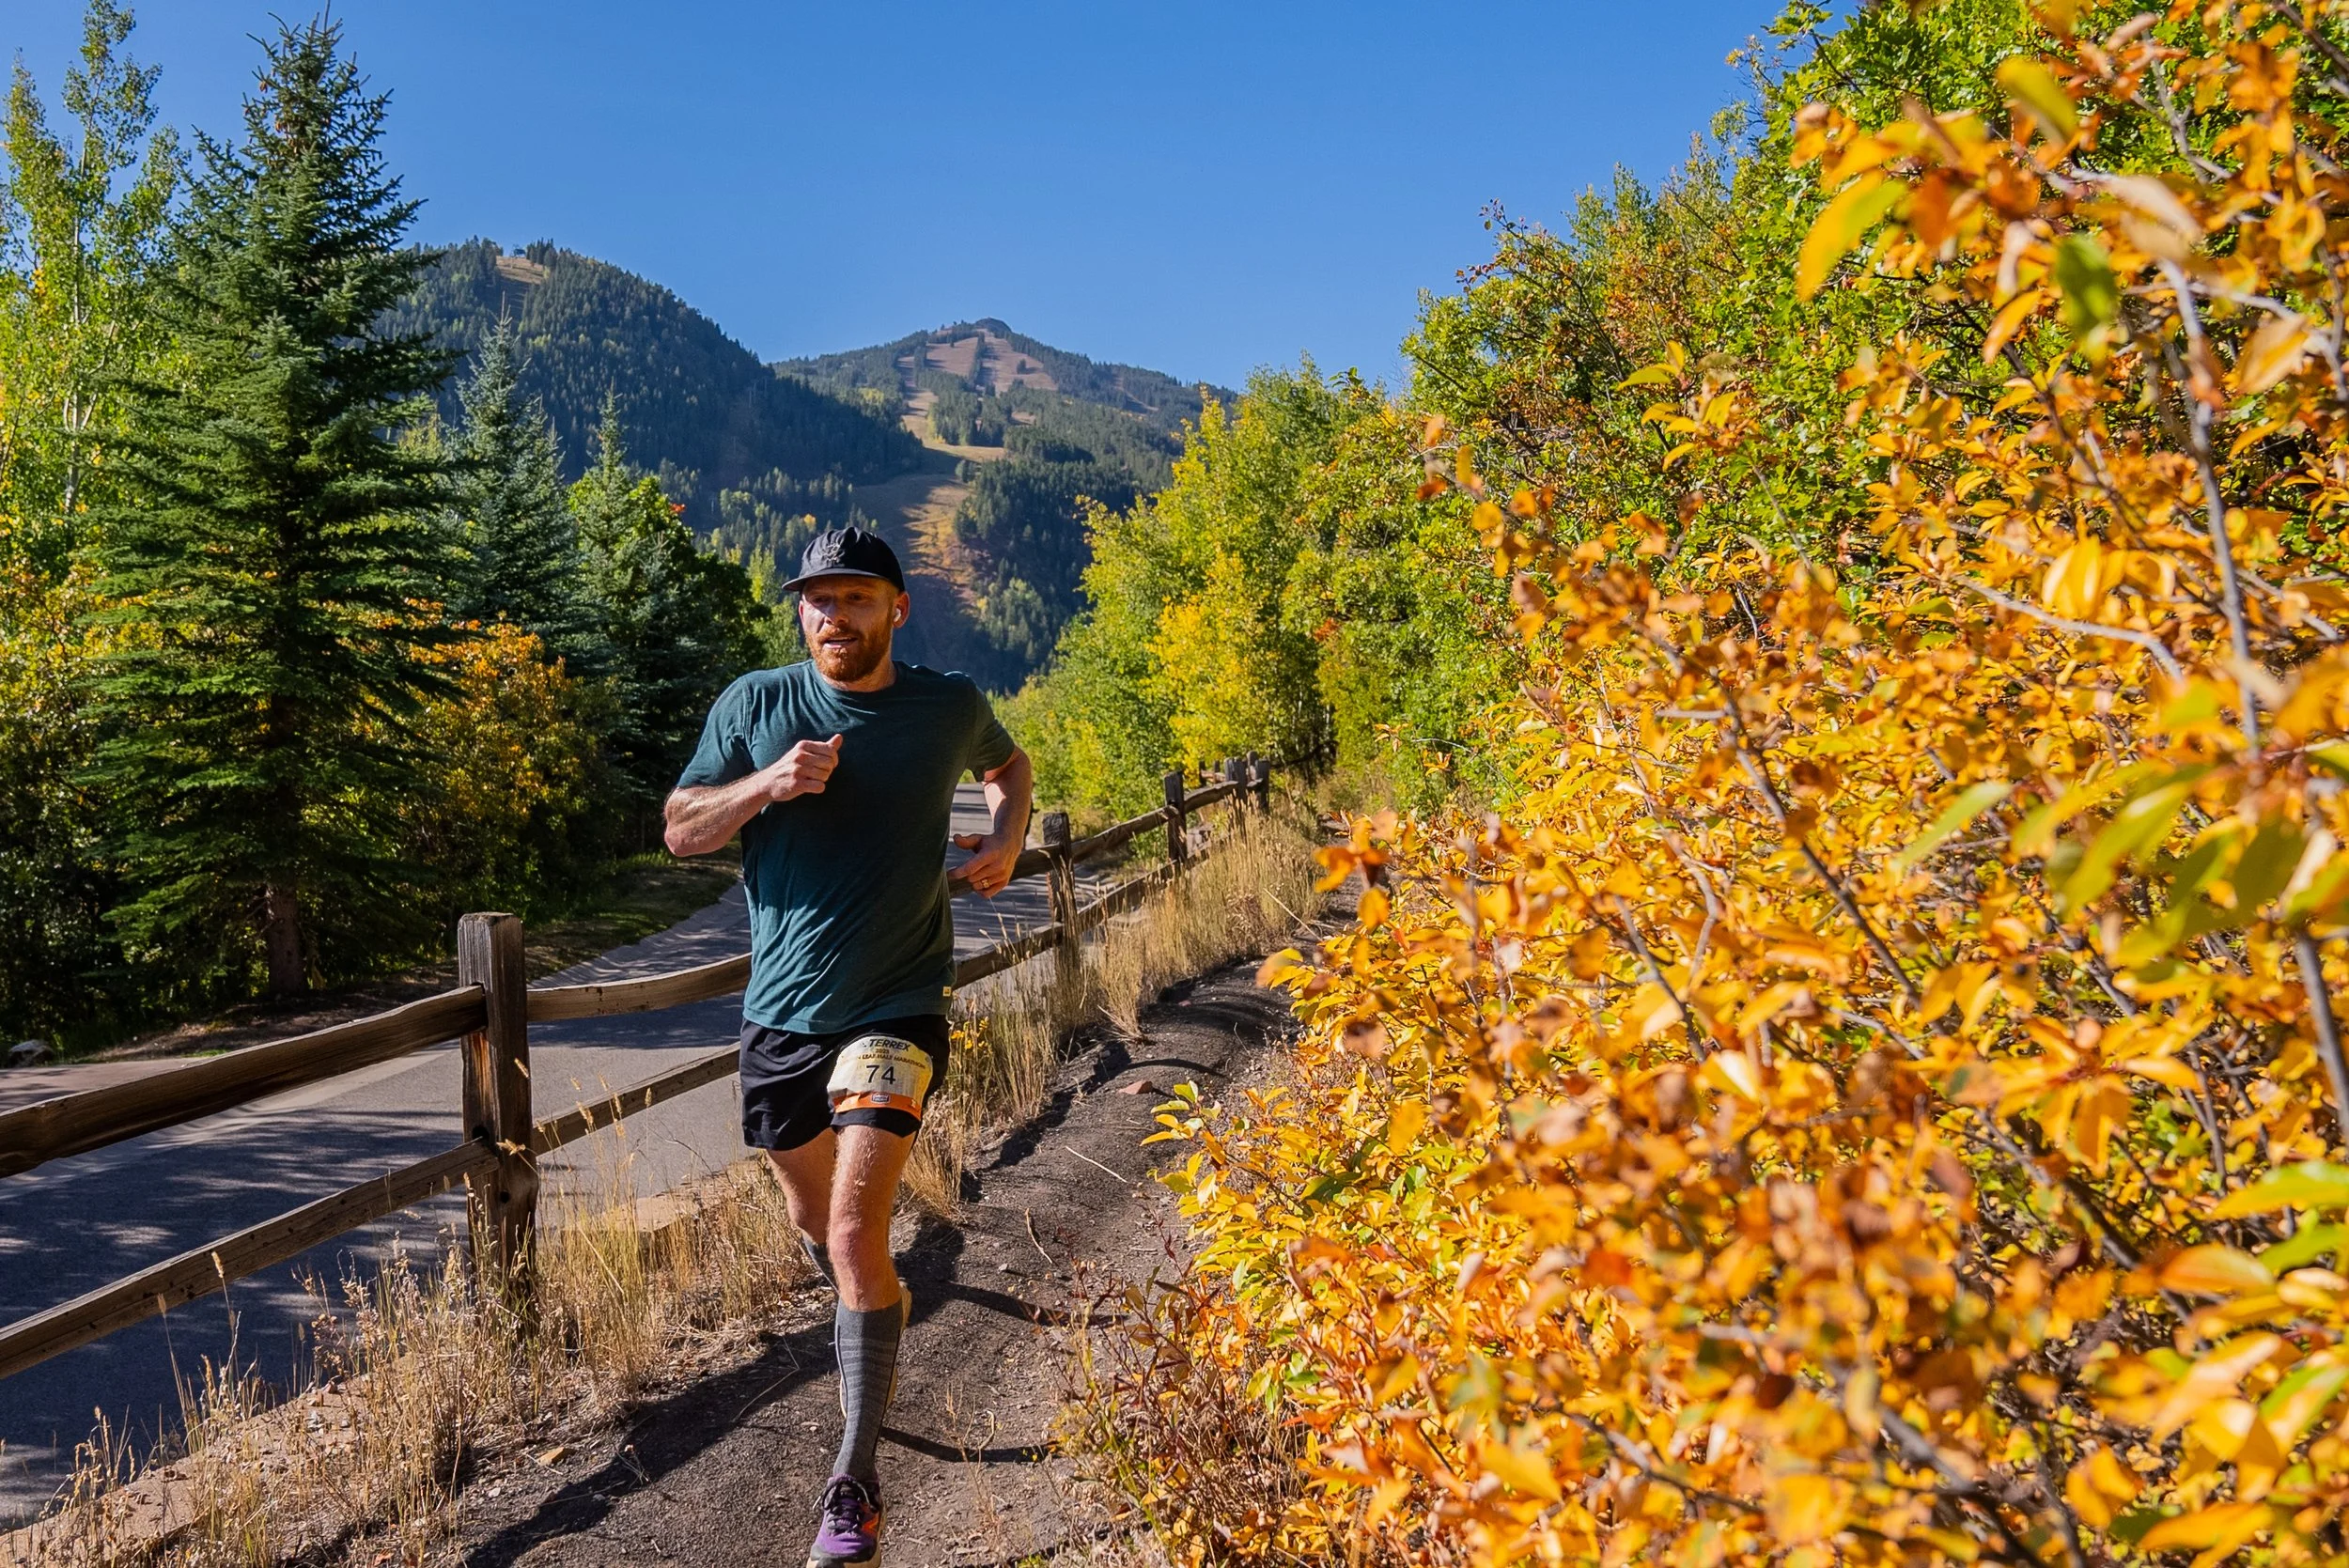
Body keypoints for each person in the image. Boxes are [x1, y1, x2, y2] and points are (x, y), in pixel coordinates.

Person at [662, 526, 1032, 1568]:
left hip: (899, 1002)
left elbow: (1008, 762)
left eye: (857, 598)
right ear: (800, 613)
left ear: (896, 609)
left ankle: (853, 1488)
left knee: (853, 1228)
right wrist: (767, 785)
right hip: (781, 1014)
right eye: (818, 599)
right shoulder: (754, 705)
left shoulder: (943, 704)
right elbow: (682, 828)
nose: (835, 616)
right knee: (813, 1222)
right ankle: (875, 1315)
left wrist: (1004, 837)